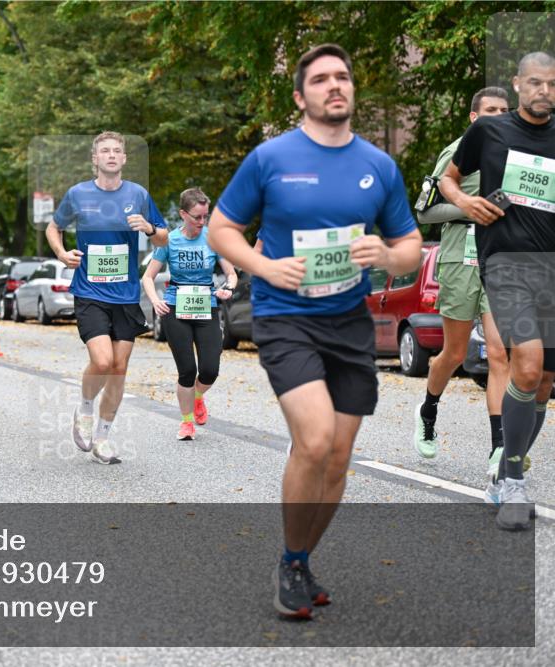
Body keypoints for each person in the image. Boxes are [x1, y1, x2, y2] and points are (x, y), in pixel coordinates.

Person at [209, 44, 422, 619]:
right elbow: (221, 228)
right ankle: (291, 560)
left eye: (344, 77)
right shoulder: (270, 158)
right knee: (316, 438)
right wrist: (264, 267)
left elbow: (408, 247)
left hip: (350, 322)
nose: (336, 85)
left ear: (353, 91)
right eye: (322, 79)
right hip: (286, 318)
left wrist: (389, 253)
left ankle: (298, 560)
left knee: (337, 458)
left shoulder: (379, 166)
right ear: (301, 96)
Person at [438, 51, 555, 531]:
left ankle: (508, 468)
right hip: (505, 262)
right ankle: (512, 482)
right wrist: (466, 200)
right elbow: (445, 181)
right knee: (524, 363)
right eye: (534, 83)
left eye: (551, 83)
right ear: (518, 84)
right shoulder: (489, 131)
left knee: (544, 381)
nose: (543, 91)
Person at [47, 131, 168, 464]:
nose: (112, 155)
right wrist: (61, 253)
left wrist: (148, 227)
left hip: (126, 295)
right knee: (102, 361)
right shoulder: (78, 194)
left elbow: (164, 237)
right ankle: (84, 410)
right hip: (90, 291)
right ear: (95, 159)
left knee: (118, 369)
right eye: (105, 151)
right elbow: (53, 227)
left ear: (124, 159)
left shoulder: (138, 194)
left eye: (117, 150)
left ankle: (102, 438)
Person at [413, 88, 512, 467]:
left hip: (501, 262)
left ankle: (500, 448)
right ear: (474, 117)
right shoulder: (458, 151)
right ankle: (427, 413)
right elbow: (425, 212)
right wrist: (469, 211)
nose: (498, 115)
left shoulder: (517, 154)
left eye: (504, 110)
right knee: (453, 353)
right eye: (490, 110)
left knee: (500, 353)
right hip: (460, 261)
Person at [142, 187, 237, 440]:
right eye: (196, 217)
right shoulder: (169, 240)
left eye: (205, 216)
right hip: (175, 308)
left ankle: (197, 396)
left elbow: (231, 274)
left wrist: (228, 288)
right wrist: (155, 301)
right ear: (183, 214)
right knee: (186, 370)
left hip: (206, 306)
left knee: (209, 370)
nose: (201, 222)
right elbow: (148, 278)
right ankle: (186, 423)